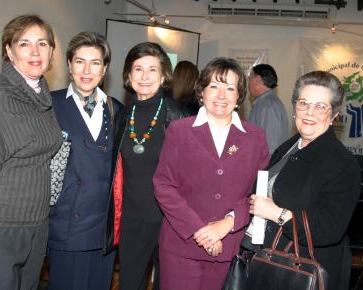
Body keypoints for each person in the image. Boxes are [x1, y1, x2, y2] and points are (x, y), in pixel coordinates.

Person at [153, 57, 270, 290]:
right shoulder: (179, 131)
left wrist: (227, 224)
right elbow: (164, 185)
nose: (221, 95)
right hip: (181, 245)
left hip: (228, 247)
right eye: (214, 86)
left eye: (230, 88)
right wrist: (200, 230)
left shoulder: (255, 137)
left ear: (239, 96)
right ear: (202, 92)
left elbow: (259, 191)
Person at [0, 14, 61, 289]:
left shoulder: (41, 92)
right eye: (24, 43)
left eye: (42, 43)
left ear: (52, 50)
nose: (34, 52)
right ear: (8, 50)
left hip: (36, 226)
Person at [250, 71, 361, 290]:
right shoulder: (289, 147)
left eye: (320, 106)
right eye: (304, 103)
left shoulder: (342, 164)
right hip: (274, 262)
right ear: (294, 108)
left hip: (305, 272)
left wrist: (275, 213)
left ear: (334, 114)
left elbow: (328, 229)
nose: (310, 112)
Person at [103, 42, 188, 290]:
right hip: (132, 220)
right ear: (128, 76)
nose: (145, 76)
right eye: (138, 69)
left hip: (169, 221)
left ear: (163, 76)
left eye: (152, 69)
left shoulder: (180, 118)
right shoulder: (121, 116)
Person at [47, 32, 121, 290]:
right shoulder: (50, 104)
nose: (87, 70)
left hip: (103, 226)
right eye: (80, 61)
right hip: (66, 222)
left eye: (95, 63)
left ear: (105, 69)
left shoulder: (116, 109)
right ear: (69, 65)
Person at [248, 64, 288, 155]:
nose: (248, 83)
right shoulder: (263, 103)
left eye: (250, 79)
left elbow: (271, 147)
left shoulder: (268, 106)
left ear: (258, 79)